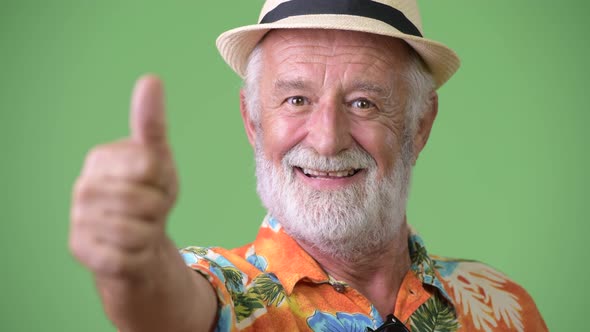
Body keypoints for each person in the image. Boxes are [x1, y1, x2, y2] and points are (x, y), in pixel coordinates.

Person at [69, 0, 548, 331]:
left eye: (363, 103)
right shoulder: (220, 289)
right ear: (253, 120)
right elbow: (163, 309)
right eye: (296, 99)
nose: (326, 139)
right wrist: (133, 265)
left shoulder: (503, 306)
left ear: (420, 124)